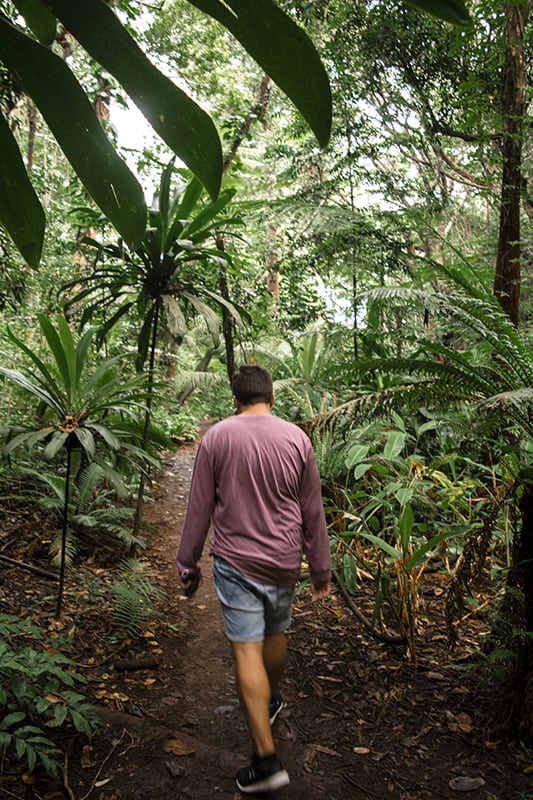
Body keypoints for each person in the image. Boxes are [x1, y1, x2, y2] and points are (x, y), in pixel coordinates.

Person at [176, 364, 331, 794]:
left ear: (235, 399)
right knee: (277, 630)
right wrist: (320, 566)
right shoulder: (297, 438)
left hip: (237, 563)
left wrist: (187, 565)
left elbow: (199, 508)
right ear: (272, 398)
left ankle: (266, 760)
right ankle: (271, 698)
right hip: (284, 560)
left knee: (246, 650)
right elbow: (312, 508)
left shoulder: (217, 437)